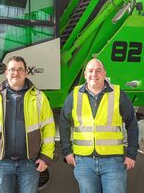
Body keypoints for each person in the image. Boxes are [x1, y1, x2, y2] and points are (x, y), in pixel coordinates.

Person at [59, 58, 139, 193]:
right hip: (84, 162)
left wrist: (131, 154)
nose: (94, 74)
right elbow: (63, 122)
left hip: (113, 162)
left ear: (104, 73)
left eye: (98, 70)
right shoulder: (75, 95)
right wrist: (67, 151)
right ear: (85, 74)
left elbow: (132, 123)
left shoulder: (117, 94)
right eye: (90, 71)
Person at [0, 56, 55, 193]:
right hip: (1, 163)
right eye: (12, 69)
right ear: (6, 73)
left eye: (20, 69)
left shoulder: (38, 97)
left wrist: (46, 156)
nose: (16, 73)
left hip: (29, 163)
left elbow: (49, 128)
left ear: (26, 72)